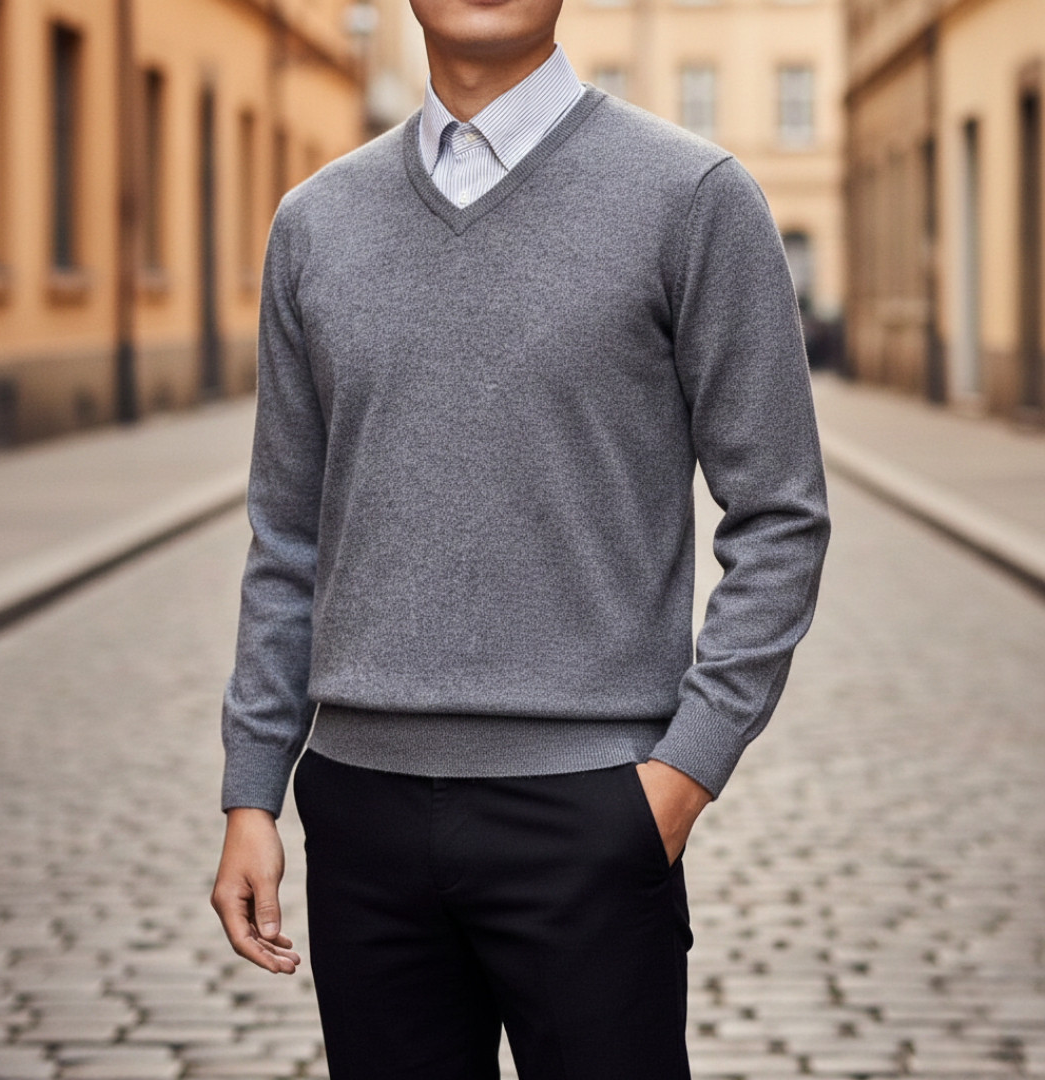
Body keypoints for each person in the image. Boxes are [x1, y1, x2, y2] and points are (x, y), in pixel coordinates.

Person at [210, 0, 830, 1074]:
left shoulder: (692, 198)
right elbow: (288, 535)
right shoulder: (314, 223)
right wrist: (251, 790)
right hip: (361, 815)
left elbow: (781, 512)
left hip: (592, 808)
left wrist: (682, 776)